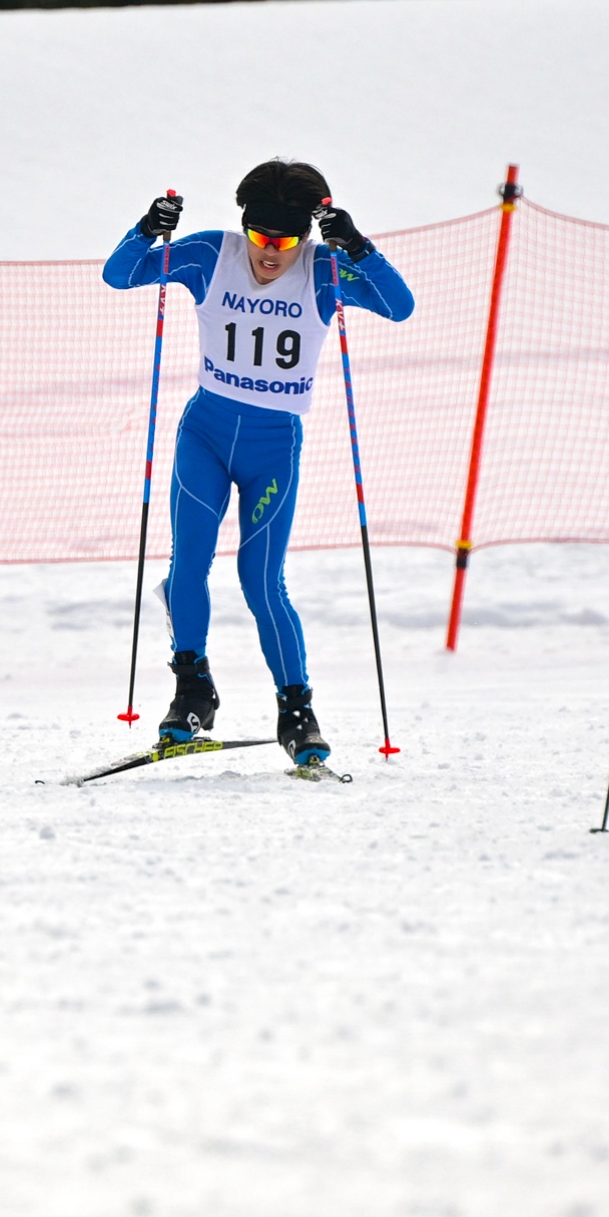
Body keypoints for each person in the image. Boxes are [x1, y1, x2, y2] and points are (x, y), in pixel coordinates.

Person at [102, 160, 415, 767]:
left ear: (306, 234)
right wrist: (147, 228)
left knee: (261, 580)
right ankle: (192, 690)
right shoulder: (209, 255)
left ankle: (296, 709)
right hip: (206, 434)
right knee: (188, 564)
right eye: (260, 236)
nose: (271, 252)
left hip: (272, 448)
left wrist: (359, 247)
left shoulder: (323, 270)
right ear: (244, 223)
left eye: (287, 240)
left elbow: (397, 306)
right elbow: (121, 274)